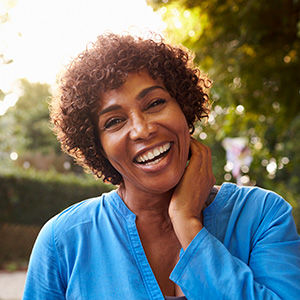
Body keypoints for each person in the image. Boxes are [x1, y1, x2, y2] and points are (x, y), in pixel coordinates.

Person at [23, 33, 300, 300]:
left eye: (155, 103)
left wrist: (188, 225)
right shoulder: (63, 242)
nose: (142, 130)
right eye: (114, 121)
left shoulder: (262, 215)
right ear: (98, 147)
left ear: (184, 107)